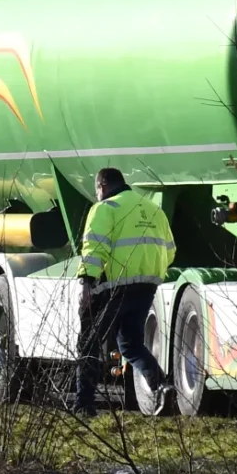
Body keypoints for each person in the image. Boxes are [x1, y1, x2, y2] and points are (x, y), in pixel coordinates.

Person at [74, 166, 176, 414]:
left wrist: (87, 281)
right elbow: (170, 251)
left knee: (89, 344)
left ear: (102, 187)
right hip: (145, 287)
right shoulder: (153, 210)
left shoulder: (105, 208)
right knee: (130, 345)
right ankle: (161, 385)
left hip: (111, 287)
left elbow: (94, 247)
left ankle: (84, 405)